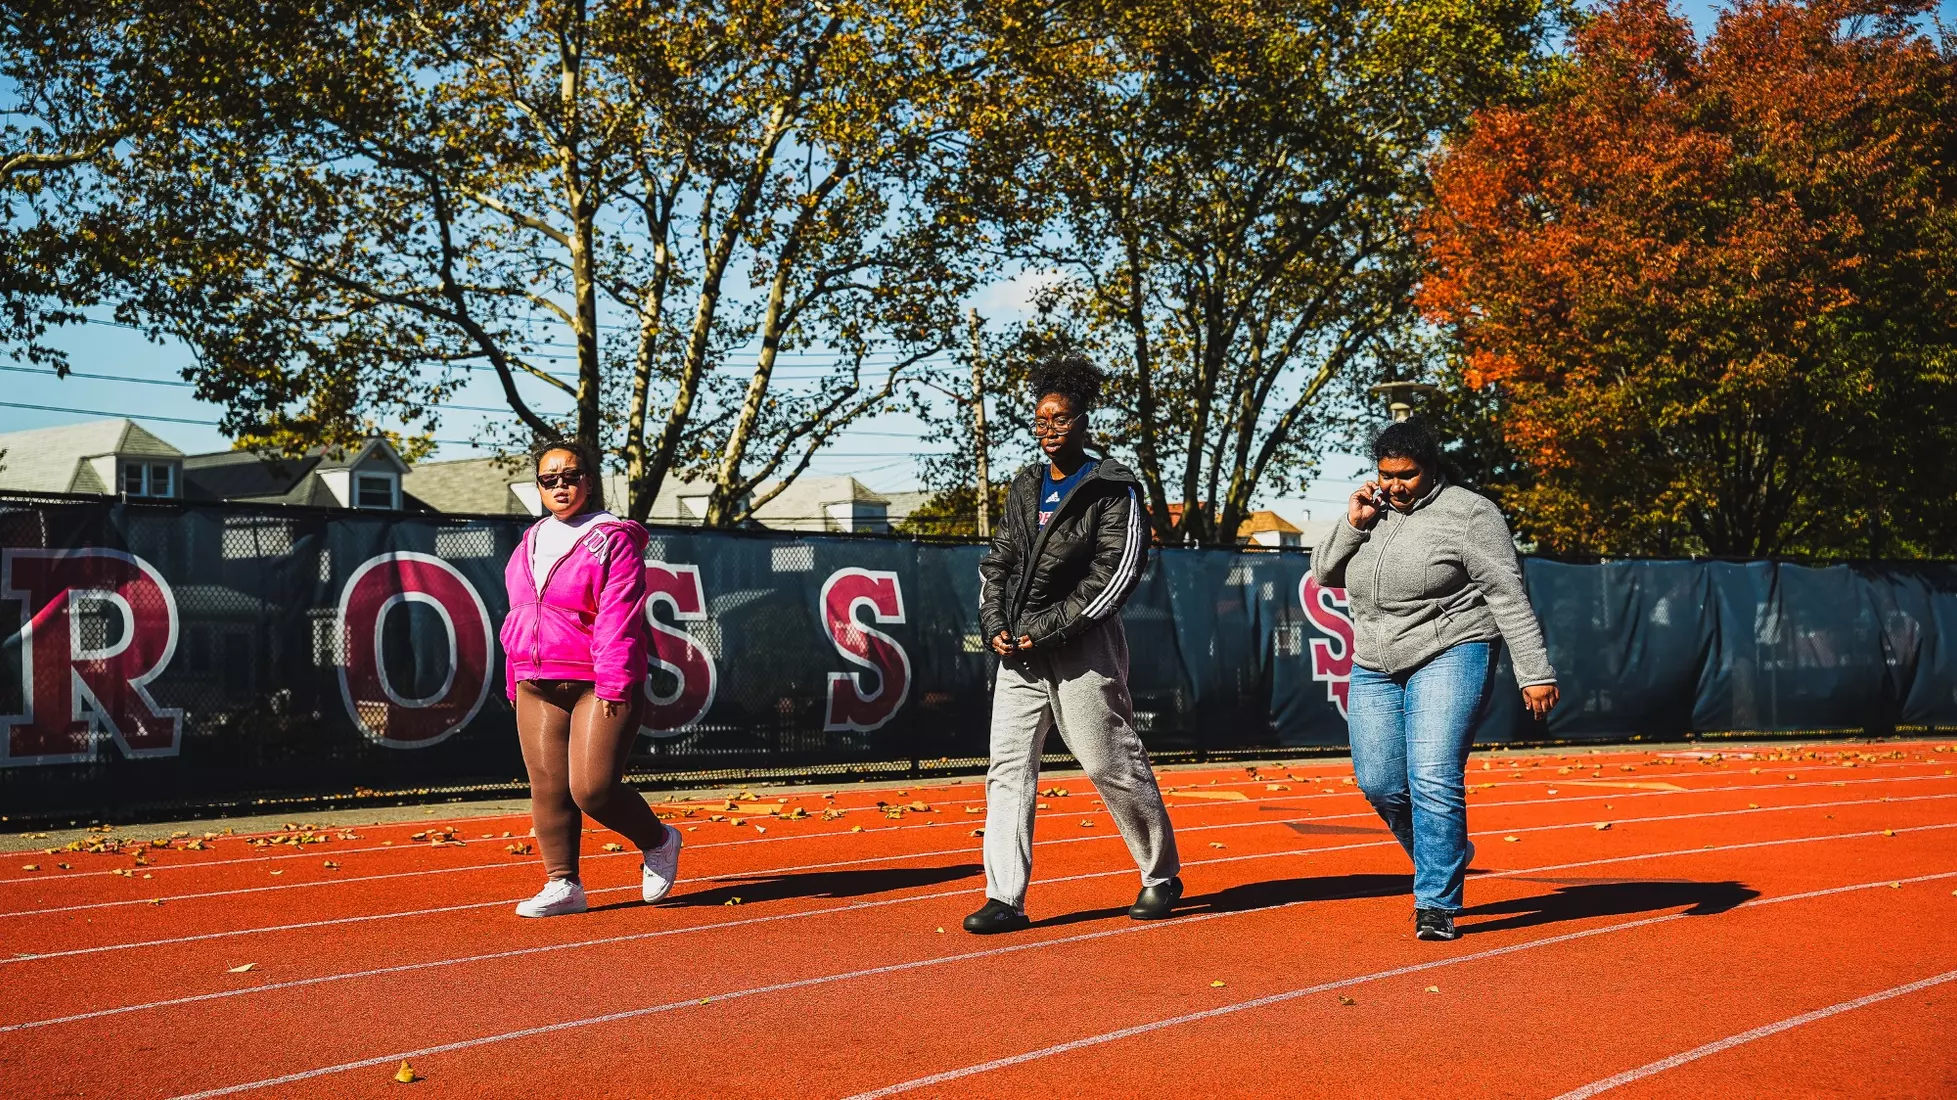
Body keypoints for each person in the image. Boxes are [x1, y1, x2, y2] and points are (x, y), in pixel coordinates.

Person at [1312, 419, 1558, 941]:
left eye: (1407, 475)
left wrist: (1534, 671)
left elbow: (1507, 594)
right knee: (1379, 782)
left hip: (1452, 648)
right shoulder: (1371, 509)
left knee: (1433, 776)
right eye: (1385, 475)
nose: (1395, 485)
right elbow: (1326, 574)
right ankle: (1447, 851)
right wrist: (1353, 523)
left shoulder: (1471, 514)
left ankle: (1436, 903)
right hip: (1375, 661)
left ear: (1431, 469)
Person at [965, 353, 1182, 934]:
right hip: (1019, 653)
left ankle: (1159, 875)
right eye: (1040, 419)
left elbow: (1114, 575)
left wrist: (1047, 627)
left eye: (1060, 418)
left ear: (1085, 419)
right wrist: (997, 625)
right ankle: (1004, 895)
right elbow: (999, 562)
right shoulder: (1024, 485)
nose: (1048, 428)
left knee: (1109, 761)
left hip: (1083, 648)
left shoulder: (1112, 488)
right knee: (1008, 768)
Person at [499, 440, 680, 917]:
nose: (559, 485)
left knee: (593, 789)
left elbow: (619, 616)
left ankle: (658, 841)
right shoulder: (530, 540)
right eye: (548, 479)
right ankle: (563, 884)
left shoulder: (612, 538)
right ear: (538, 487)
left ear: (588, 481)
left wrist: (616, 680)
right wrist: (512, 673)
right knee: (548, 789)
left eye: (569, 476)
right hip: (535, 681)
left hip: (597, 680)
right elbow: (519, 613)